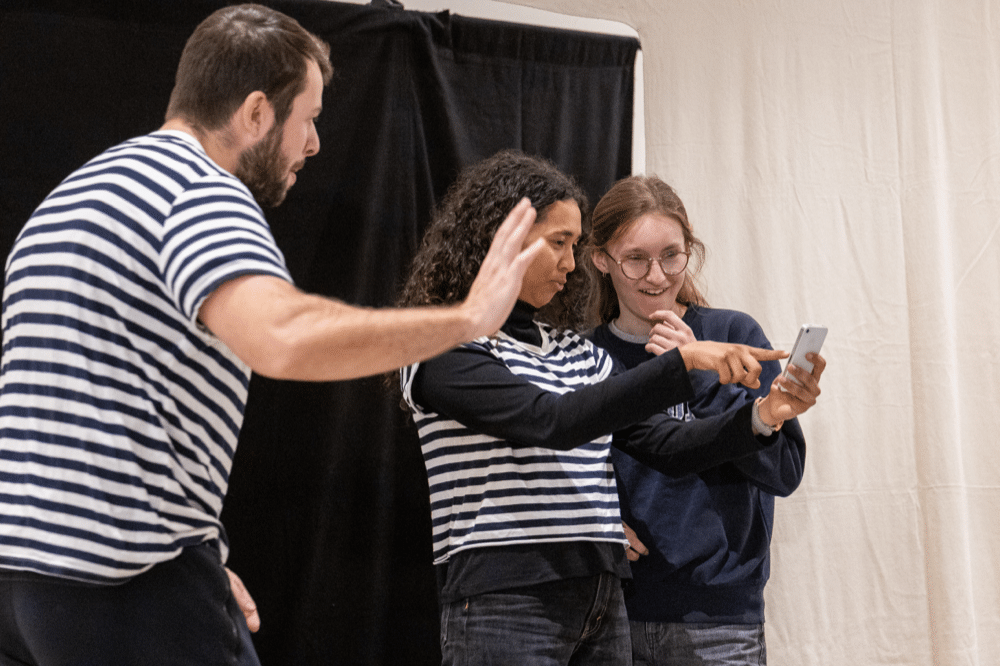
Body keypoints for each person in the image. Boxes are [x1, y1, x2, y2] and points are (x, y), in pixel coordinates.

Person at [0, 5, 548, 665]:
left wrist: (195, 554)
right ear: (257, 112)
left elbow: (90, 406)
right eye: (308, 118)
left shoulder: (76, 194)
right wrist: (467, 319)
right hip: (122, 584)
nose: (313, 144)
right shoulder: (200, 191)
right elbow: (283, 337)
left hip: (26, 579)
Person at [395, 150, 812, 666]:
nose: (570, 265)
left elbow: (667, 444)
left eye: (574, 246)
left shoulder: (575, 350)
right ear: (504, 237)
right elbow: (550, 421)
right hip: (507, 602)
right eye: (559, 244)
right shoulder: (439, 346)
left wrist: (763, 416)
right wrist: (684, 364)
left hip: (603, 601)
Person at [587, 175, 825, 665]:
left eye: (671, 256)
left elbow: (783, 472)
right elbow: (557, 472)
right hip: (610, 618)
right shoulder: (586, 356)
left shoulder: (733, 334)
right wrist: (594, 522)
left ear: (689, 251)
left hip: (720, 621)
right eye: (636, 259)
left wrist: (697, 372)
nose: (657, 275)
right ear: (601, 260)